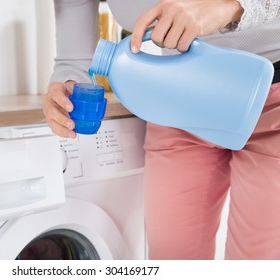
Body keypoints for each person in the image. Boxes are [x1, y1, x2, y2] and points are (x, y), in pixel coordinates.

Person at [43, 0, 280, 259]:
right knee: (173, 258)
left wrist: (229, 6)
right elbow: (77, 60)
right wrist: (66, 86)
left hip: (272, 99)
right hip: (174, 101)